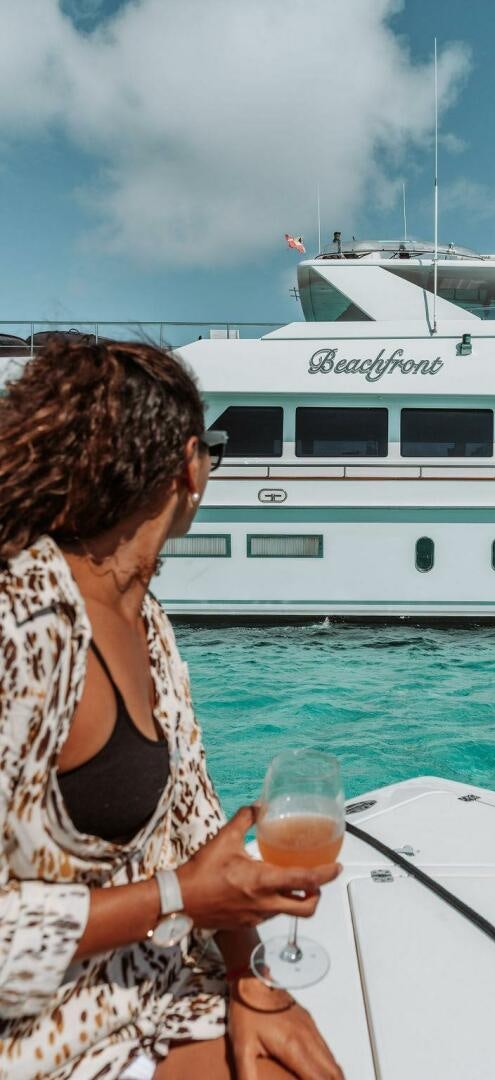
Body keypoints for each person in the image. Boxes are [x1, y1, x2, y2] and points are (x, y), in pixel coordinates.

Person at [0, 339, 343, 1080]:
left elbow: (193, 823)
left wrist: (251, 978)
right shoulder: (23, 630)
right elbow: (184, 883)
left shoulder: (146, 620)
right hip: (35, 1034)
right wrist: (177, 895)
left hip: (147, 985)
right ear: (190, 464)